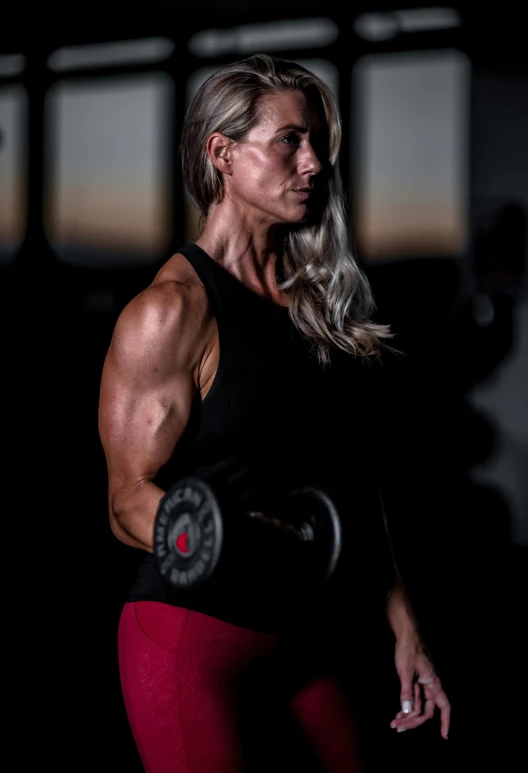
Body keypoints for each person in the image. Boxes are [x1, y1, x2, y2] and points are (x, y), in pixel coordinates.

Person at [98, 53, 451, 773]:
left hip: (300, 633)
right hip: (190, 638)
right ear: (222, 154)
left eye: (317, 140)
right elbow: (125, 499)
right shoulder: (171, 311)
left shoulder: (314, 306)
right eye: (290, 139)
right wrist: (233, 536)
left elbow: (354, 479)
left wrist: (405, 626)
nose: (315, 161)